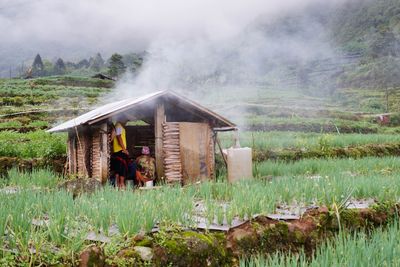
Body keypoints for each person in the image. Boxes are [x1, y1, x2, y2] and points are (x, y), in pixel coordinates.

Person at [111, 120, 129, 189]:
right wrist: (124, 149)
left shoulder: (117, 126)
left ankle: (118, 185)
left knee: (118, 169)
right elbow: (119, 137)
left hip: (118, 151)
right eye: (126, 121)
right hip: (120, 151)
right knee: (122, 168)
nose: (126, 122)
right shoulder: (118, 126)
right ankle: (121, 184)